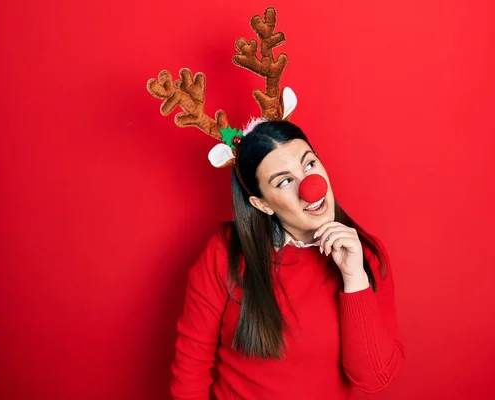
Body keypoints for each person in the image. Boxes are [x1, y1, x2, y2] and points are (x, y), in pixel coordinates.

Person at [170, 120, 405, 399]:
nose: (310, 186)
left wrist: (354, 278)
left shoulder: (365, 255)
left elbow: (374, 378)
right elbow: (190, 369)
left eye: (309, 165)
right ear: (262, 204)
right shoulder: (225, 252)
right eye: (284, 181)